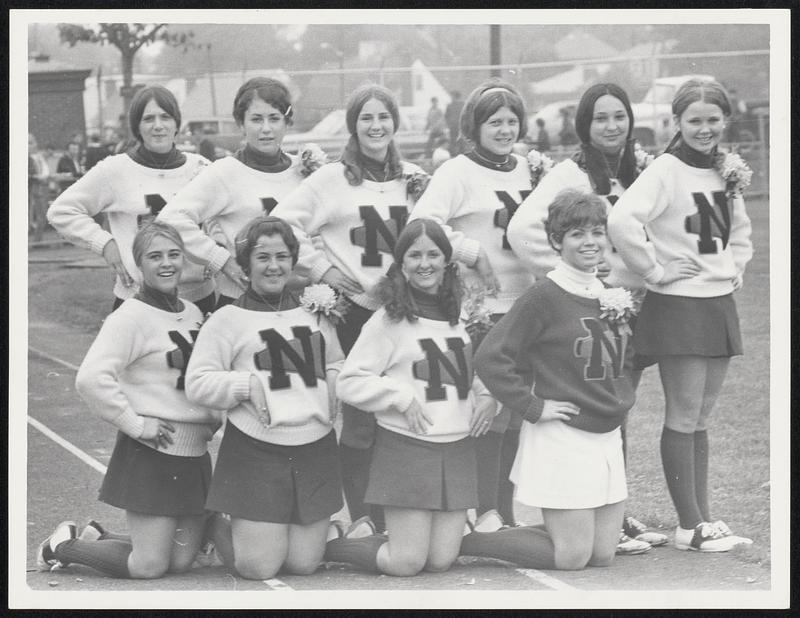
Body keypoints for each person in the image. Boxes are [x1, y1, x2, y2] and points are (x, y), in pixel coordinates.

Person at [507, 83, 668, 554]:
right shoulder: (569, 172)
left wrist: (650, 268)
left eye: (619, 116)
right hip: (589, 307)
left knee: (618, 405)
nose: (612, 126)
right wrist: (576, 274)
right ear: (584, 125)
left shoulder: (645, 168)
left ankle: (612, 512)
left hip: (631, 304)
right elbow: (522, 228)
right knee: (596, 401)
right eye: (600, 118)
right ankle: (596, 522)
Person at [272, 83, 427, 534]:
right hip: (357, 310)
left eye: (384, 117)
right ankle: (362, 517)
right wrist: (321, 268)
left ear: (395, 122)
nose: (376, 126)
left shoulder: (414, 177)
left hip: (406, 311)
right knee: (360, 419)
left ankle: (394, 512)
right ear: (353, 126)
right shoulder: (330, 179)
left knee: (400, 415)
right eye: (366, 118)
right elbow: (281, 226)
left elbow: (438, 237)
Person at [608, 78, 754, 552]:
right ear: (677, 123)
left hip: (717, 301)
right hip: (680, 305)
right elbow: (622, 219)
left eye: (713, 120)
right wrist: (655, 269)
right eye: (694, 120)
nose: (704, 128)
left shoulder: (726, 171)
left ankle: (703, 519)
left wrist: (735, 268)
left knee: (703, 416)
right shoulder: (666, 169)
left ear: (725, 121)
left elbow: (740, 231)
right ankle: (688, 524)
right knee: (684, 413)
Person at [37, 221, 222, 579]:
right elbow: (90, 378)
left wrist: (212, 416)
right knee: (149, 566)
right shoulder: (130, 317)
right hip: (152, 453)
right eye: (155, 256)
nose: (166, 263)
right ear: (139, 264)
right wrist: (136, 424)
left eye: (173, 254)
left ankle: (100, 535)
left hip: (194, 455)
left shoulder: (192, 311)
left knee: (182, 561)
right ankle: (63, 545)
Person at [469, 189, 634, 570]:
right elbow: (490, 357)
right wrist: (531, 406)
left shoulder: (610, 293)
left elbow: (618, 360)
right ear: (556, 242)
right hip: (564, 434)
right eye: (576, 234)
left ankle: (560, 530)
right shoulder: (543, 295)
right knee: (573, 557)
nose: (589, 242)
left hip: (606, 432)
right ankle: (473, 541)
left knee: (602, 554)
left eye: (596, 232)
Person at [327, 219, 496, 576]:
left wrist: (486, 395)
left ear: (447, 261)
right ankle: (334, 547)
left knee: (439, 561)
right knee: (406, 562)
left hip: (457, 446)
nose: (425, 263)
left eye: (433, 254)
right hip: (409, 448)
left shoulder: (461, 312)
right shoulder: (387, 319)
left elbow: (471, 369)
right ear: (401, 263)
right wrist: (399, 396)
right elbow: (350, 381)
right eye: (414, 255)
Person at [185, 215, 344, 580]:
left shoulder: (315, 311)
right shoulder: (227, 318)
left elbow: (335, 360)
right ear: (245, 264)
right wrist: (247, 386)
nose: (274, 266)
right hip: (257, 449)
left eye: (282, 256)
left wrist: (335, 379)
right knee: (259, 568)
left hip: (314, 445)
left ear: (293, 260)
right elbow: (198, 383)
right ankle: (215, 527)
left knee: (303, 565)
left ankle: (275, 530)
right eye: (262, 257)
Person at [409, 78, 534, 530]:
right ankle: (483, 510)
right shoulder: (457, 171)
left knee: (517, 413)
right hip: (482, 305)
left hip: (528, 302)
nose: (504, 130)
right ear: (474, 126)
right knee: (489, 413)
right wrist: (470, 251)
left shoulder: (531, 167)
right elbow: (422, 221)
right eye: (494, 121)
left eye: (511, 120)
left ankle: (502, 506)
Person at [46, 85, 214, 314]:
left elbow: (224, 217)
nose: (158, 126)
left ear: (176, 123)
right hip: (137, 299)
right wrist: (105, 244)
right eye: (148, 119)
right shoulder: (116, 169)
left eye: (165, 117)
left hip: (198, 297)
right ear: (136, 126)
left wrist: (216, 251)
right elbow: (61, 210)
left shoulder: (201, 167)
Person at [158, 77, 307, 309]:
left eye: (274, 119)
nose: (266, 129)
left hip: (298, 301)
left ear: (287, 123)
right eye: (256, 119)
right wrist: (222, 260)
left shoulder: (303, 170)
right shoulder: (225, 172)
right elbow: (170, 220)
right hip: (241, 301)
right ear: (241, 123)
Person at [28, 133, 51, 241]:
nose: (33, 145)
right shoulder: (27, 158)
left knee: (42, 214)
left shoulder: (39, 157)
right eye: (29, 143)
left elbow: (46, 170)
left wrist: (42, 176)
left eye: (33, 142)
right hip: (33, 188)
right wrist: (38, 176)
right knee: (33, 214)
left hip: (41, 187)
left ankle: (37, 239)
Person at [444, 90, 465, 156]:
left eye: (452, 96)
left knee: (461, 140)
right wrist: (448, 124)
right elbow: (446, 116)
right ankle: (453, 155)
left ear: (455, 97)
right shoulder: (450, 105)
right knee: (453, 141)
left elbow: (466, 115)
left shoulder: (463, 105)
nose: (451, 97)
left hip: (461, 126)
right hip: (453, 127)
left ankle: (462, 154)